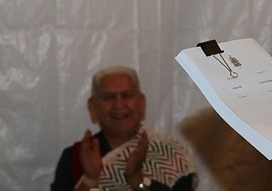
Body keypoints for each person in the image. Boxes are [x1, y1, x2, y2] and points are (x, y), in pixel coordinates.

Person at [51, 66, 197, 190]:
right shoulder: (76, 156)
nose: (119, 105)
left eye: (127, 95)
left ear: (141, 103)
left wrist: (138, 180)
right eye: (109, 97)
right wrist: (90, 180)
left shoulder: (172, 154)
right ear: (93, 107)